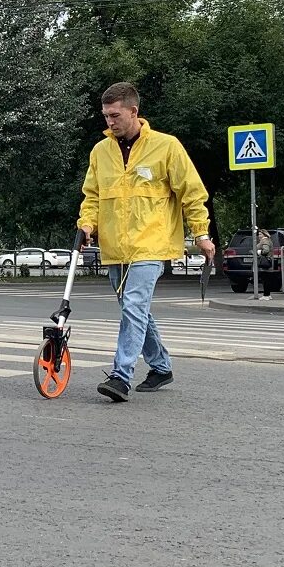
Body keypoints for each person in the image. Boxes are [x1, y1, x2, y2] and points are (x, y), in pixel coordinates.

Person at [78, 81, 215, 402]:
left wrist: (202, 233)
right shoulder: (101, 151)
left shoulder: (166, 147)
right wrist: (86, 225)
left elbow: (192, 193)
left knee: (135, 306)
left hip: (151, 244)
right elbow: (92, 195)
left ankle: (120, 375)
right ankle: (161, 366)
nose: (109, 122)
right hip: (114, 248)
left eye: (115, 115)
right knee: (133, 310)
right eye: (106, 116)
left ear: (133, 111)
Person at [255, 229, 274, 301]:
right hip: (268, 262)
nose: (259, 236)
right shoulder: (268, 240)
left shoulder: (265, 240)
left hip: (265, 262)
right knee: (267, 279)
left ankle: (266, 295)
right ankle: (268, 294)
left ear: (264, 234)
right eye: (259, 234)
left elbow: (266, 250)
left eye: (260, 234)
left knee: (265, 279)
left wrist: (260, 252)